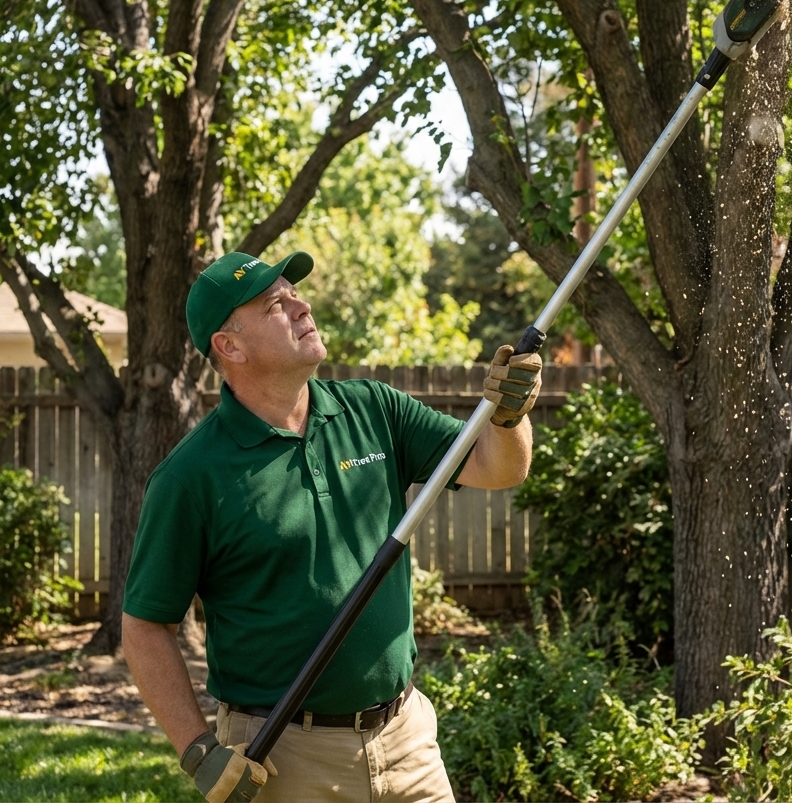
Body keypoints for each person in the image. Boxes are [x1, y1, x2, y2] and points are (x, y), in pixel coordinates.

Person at [121, 250, 542, 803]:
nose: (302, 304)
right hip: (283, 757)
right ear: (230, 346)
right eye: (276, 302)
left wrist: (509, 418)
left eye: (295, 292)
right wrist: (198, 748)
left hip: (406, 738)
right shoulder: (191, 477)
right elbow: (146, 627)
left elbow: (499, 466)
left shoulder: (375, 411)